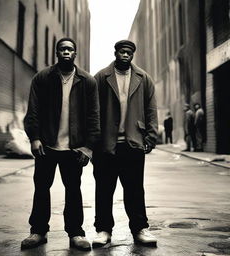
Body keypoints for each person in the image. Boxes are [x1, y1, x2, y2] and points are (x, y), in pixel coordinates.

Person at [21, 38, 100, 251]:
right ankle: (38, 231)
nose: (66, 52)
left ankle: (76, 233)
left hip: (74, 148)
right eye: (62, 49)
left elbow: (94, 116)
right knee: (41, 187)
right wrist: (34, 137)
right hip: (46, 145)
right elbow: (33, 110)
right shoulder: (43, 78)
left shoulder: (87, 81)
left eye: (70, 49)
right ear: (57, 53)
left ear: (75, 53)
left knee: (73, 189)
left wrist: (88, 147)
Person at [92, 40, 158, 248]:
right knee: (104, 189)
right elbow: (91, 112)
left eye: (129, 52)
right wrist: (92, 140)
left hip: (133, 143)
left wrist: (151, 136)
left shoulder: (143, 78)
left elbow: (151, 110)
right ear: (116, 53)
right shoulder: (101, 77)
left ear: (132, 55)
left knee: (135, 189)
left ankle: (139, 229)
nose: (126, 55)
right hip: (106, 145)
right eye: (122, 52)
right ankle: (103, 230)